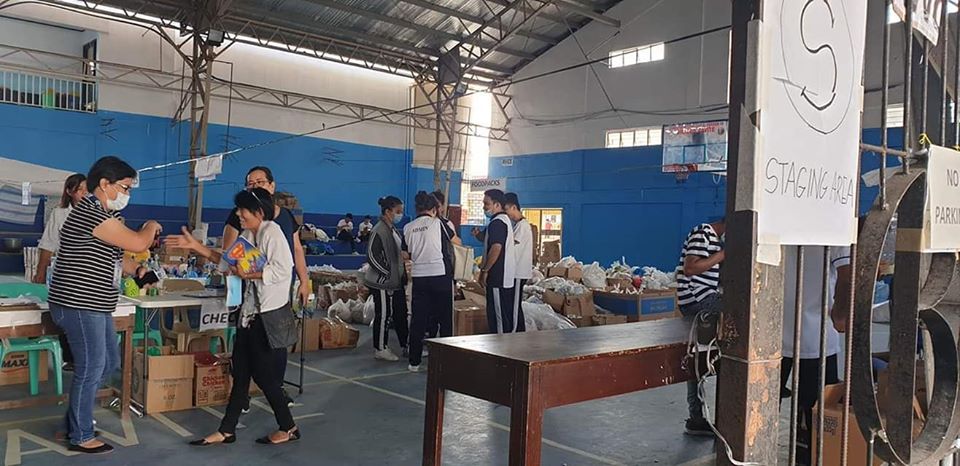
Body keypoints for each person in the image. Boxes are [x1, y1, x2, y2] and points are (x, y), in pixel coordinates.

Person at [48, 156, 162, 454]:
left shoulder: (102, 214)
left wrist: (138, 271)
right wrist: (150, 226)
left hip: (95, 303)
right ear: (104, 184)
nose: (127, 194)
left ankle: (73, 422)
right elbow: (138, 243)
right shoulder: (91, 214)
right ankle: (81, 435)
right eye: (125, 187)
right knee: (91, 366)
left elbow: (116, 257)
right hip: (78, 302)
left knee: (108, 362)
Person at [173, 189, 299, 447]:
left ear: (259, 212)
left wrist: (248, 274)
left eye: (243, 210)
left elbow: (283, 270)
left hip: (266, 317)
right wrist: (197, 247)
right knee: (240, 372)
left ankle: (288, 427)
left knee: (264, 377)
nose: (239, 214)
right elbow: (227, 261)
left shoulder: (272, 233)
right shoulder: (248, 235)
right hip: (248, 315)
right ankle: (227, 430)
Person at [222, 167, 308, 408]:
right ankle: (243, 395)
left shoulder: (283, 220)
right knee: (246, 345)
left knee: (276, 343)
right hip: (248, 293)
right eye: (250, 183)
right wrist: (238, 276)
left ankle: (276, 392)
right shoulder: (241, 217)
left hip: (277, 292)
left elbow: (296, 250)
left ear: (272, 186)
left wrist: (304, 281)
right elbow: (229, 253)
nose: (254, 186)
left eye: (259, 182)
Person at [779, 246, 848, 464]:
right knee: (816, 410)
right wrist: (840, 316)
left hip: (775, 331)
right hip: (816, 335)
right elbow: (847, 276)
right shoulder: (836, 232)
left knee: (767, 405)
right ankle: (810, 457)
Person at [676, 217, 726, 437]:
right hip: (697, 299)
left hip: (706, 297)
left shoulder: (716, 241)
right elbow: (690, 268)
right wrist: (723, 255)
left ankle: (696, 417)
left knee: (698, 358)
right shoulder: (703, 232)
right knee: (742, 313)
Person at [34, 173, 87, 371]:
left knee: (85, 316)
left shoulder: (95, 212)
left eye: (87, 190)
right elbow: (48, 244)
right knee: (67, 314)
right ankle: (70, 358)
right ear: (69, 192)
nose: (84, 194)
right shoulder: (59, 213)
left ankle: (83, 357)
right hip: (65, 273)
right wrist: (40, 272)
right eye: (80, 190)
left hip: (88, 273)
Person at [403, 192, 455, 372]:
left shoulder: (408, 227)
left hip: (419, 277)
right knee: (445, 320)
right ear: (434, 209)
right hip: (440, 275)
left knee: (418, 320)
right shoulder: (438, 223)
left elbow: (405, 254)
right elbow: (454, 239)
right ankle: (446, 361)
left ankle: (414, 362)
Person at [363, 196, 409, 361]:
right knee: (383, 314)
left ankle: (405, 345)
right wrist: (387, 273)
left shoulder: (392, 229)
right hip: (382, 282)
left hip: (395, 281)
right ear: (388, 212)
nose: (400, 214)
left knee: (399, 313)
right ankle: (380, 347)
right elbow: (372, 256)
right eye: (398, 211)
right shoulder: (379, 230)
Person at [478, 189, 517, 334]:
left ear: (497, 205)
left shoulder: (497, 223)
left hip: (497, 277)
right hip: (503, 277)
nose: (484, 207)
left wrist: (485, 270)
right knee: (502, 315)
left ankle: (500, 345)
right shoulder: (504, 221)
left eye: (486, 204)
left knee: (498, 317)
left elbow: (496, 248)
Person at [504, 193, 532, 332]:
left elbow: (511, 246)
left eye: (506, 209)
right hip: (515, 273)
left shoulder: (522, 226)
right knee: (513, 305)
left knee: (514, 307)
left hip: (518, 273)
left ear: (514, 207)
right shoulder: (518, 225)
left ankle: (515, 333)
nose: (506, 214)